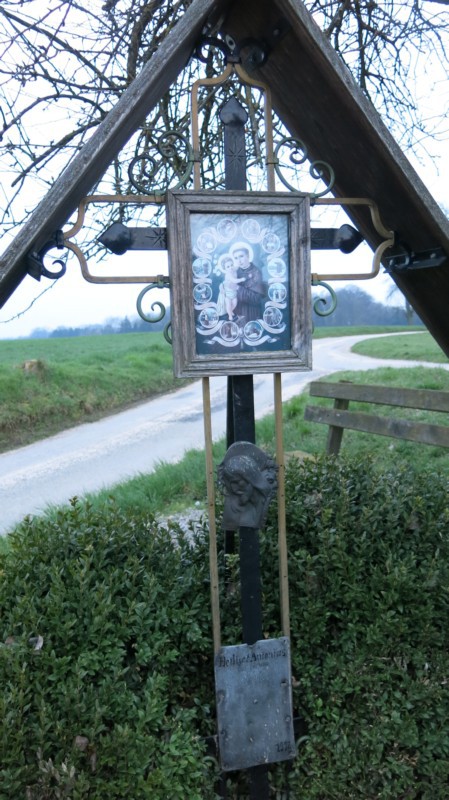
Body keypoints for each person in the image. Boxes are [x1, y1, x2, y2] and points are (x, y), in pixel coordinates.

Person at [231, 246, 265, 322]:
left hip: (252, 312)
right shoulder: (235, 272)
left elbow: (257, 298)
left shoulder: (256, 272)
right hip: (238, 312)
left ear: (248, 256)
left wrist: (238, 288)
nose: (239, 261)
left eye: (241, 256)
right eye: (236, 258)